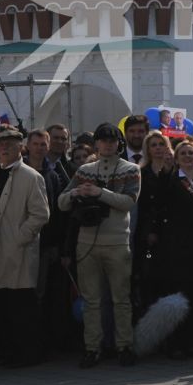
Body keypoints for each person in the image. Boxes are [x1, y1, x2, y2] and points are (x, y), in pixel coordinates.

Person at [59, 123, 140, 367]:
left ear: (119, 143)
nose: (107, 144)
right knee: (91, 300)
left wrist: (99, 193)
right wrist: (76, 194)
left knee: (120, 299)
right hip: (87, 243)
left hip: (117, 242)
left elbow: (128, 202)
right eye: (103, 140)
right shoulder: (84, 169)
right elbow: (62, 202)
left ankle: (124, 345)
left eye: (112, 140)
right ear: (96, 144)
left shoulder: (131, 169)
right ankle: (92, 347)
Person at [0, 127, 50, 367]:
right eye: (1, 144)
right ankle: (9, 352)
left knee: (22, 305)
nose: (5, 148)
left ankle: (28, 354)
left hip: (17, 250)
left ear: (21, 147)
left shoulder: (31, 176)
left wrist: (19, 239)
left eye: (10, 144)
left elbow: (40, 214)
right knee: (4, 305)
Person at [139, 138, 193, 359]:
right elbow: (162, 211)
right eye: (183, 154)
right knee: (179, 296)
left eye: (192, 153)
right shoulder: (170, 181)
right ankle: (176, 343)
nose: (188, 157)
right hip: (178, 247)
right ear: (177, 159)